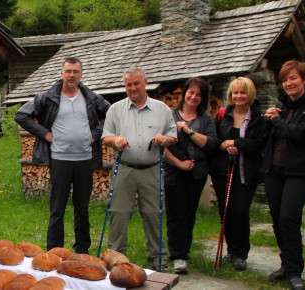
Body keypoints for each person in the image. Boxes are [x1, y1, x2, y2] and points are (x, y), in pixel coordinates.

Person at [15, 57, 110, 254]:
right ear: (62, 74)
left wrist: (95, 135)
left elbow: (112, 114)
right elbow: (21, 115)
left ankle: (82, 251)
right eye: (68, 71)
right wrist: (45, 134)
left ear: (81, 75)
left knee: (82, 208)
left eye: (75, 71)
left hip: (85, 159)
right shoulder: (48, 97)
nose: (71, 75)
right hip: (60, 159)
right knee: (57, 208)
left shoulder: (92, 98)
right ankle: (54, 251)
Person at [101, 65, 177, 271]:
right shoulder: (115, 109)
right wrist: (115, 140)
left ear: (145, 83)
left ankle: (158, 261)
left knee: (154, 215)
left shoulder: (162, 109)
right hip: (124, 168)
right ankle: (116, 262)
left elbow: (173, 135)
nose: (133, 88)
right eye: (128, 85)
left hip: (152, 169)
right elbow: (105, 137)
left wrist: (164, 139)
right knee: (118, 215)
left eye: (136, 83)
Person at [262, 60, 305, 290]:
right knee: (278, 220)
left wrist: (276, 120)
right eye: (285, 80)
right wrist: (268, 120)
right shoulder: (281, 104)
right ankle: (286, 264)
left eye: (293, 78)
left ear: (304, 79)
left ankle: (295, 272)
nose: (288, 83)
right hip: (274, 170)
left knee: (289, 218)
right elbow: (269, 135)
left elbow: (300, 133)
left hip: (299, 172)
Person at [209, 76, 267, 272]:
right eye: (235, 93)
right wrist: (224, 145)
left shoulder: (258, 117)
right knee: (225, 212)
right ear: (230, 95)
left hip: (245, 172)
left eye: (243, 92)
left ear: (250, 94)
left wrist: (237, 144)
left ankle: (241, 253)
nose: (239, 96)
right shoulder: (223, 114)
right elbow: (215, 139)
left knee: (240, 212)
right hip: (222, 171)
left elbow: (259, 143)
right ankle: (231, 250)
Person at [163, 77, 219, 274]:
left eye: (198, 94)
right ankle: (178, 256)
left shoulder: (206, 119)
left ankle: (184, 252)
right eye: (191, 92)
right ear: (184, 93)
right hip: (174, 172)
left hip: (197, 173)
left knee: (189, 213)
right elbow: (162, 145)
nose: (194, 97)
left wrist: (188, 131)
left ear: (203, 98)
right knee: (175, 214)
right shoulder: (170, 116)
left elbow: (210, 144)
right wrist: (179, 163)